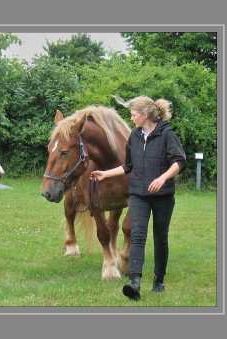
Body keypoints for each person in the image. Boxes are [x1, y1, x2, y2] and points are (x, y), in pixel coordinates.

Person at [90, 96, 186, 301]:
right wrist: (105, 174)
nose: (131, 118)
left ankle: (159, 280)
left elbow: (179, 161)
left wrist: (162, 178)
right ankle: (134, 283)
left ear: (144, 115)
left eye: (133, 114)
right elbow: (128, 166)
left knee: (160, 239)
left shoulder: (167, 134)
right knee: (137, 237)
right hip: (139, 196)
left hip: (162, 197)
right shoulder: (134, 136)